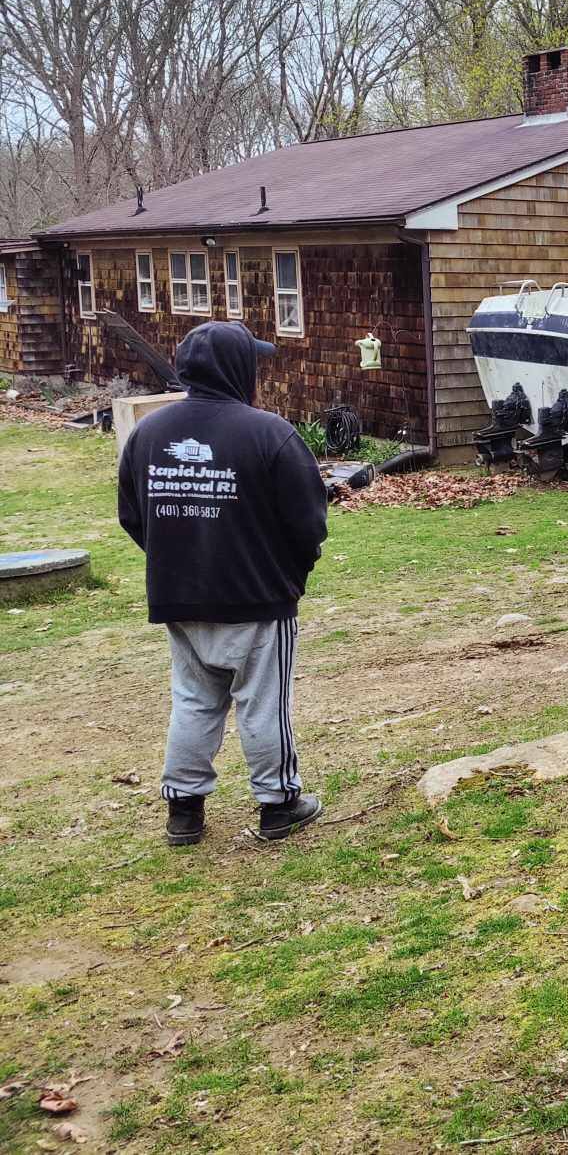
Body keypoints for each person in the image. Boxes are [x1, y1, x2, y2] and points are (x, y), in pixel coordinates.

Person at [117, 320, 328, 845]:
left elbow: (132, 515)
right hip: (257, 599)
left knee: (192, 700)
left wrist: (177, 560)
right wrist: (289, 577)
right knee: (262, 702)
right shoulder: (269, 432)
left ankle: (183, 812)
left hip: (179, 597)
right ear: (239, 369)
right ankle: (279, 804)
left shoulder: (148, 433)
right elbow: (309, 524)